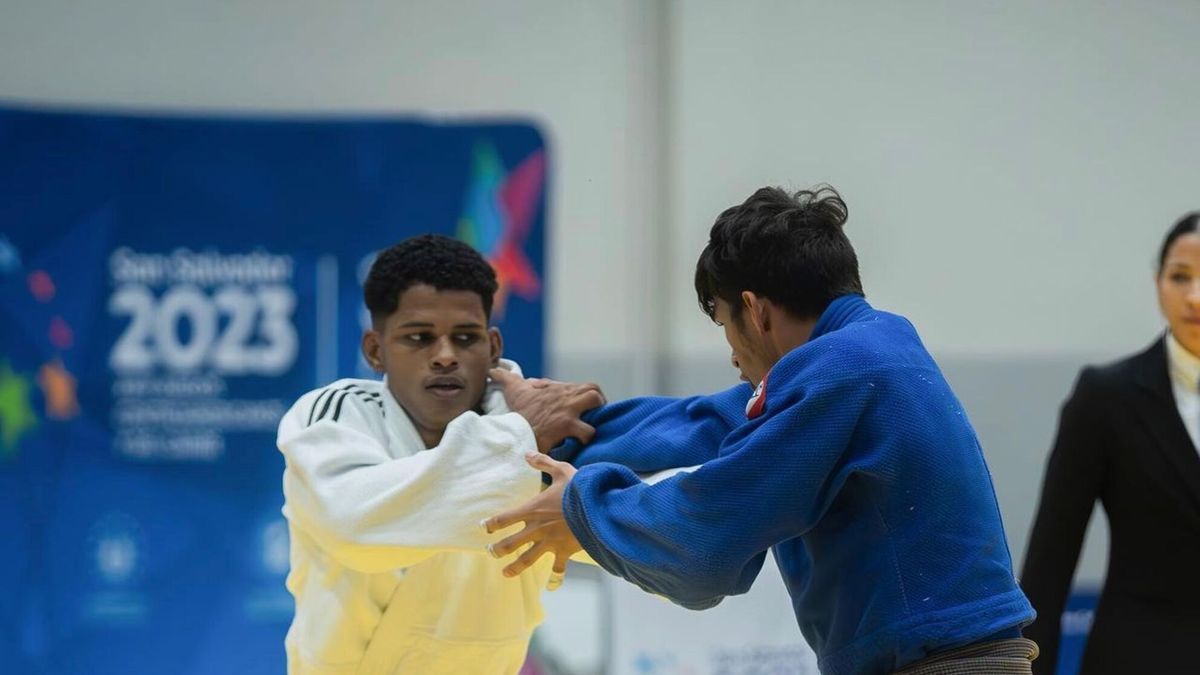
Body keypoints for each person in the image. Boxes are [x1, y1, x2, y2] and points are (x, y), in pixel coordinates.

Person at [485, 186, 1037, 675]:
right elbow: (701, 422)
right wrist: (546, 432)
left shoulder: (844, 370)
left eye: (726, 325)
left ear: (755, 311)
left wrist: (581, 505)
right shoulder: (871, 349)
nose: (731, 355)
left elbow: (707, 539)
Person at [276, 234, 602, 675]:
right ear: (376, 350)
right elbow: (353, 523)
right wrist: (519, 438)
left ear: (493, 347)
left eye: (465, 338)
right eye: (419, 338)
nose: (445, 356)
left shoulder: (548, 423)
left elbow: (636, 516)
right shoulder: (336, 417)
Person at [1020, 212, 1200, 675]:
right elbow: (1050, 561)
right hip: (1139, 655)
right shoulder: (1106, 397)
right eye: (1181, 277)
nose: (1195, 297)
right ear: (1158, 282)